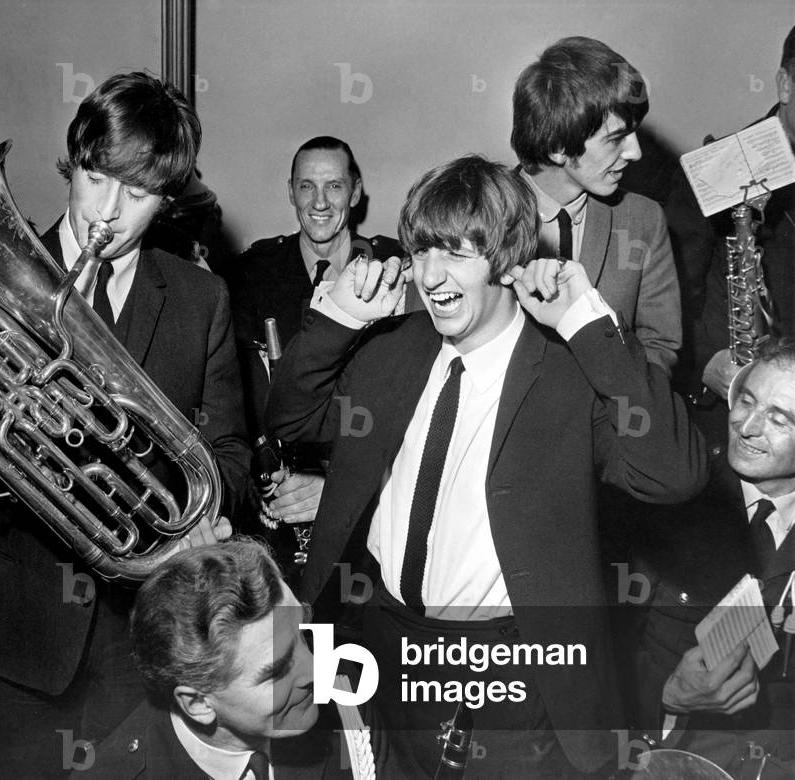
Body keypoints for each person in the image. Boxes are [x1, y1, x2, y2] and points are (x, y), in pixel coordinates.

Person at [265, 155, 707, 776]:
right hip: (386, 645)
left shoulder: (569, 373)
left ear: (505, 258)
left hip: (510, 665)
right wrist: (337, 318)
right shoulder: (393, 349)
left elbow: (675, 474)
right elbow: (293, 418)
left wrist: (588, 323)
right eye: (422, 251)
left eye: (458, 253)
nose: (432, 275)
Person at [0, 71, 249, 779]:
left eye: (138, 195)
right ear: (71, 165)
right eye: (97, 178)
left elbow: (230, 460)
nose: (109, 211)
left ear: (166, 201)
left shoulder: (201, 299)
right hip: (18, 623)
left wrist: (195, 512)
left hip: (139, 626)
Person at [75, 538, 395, 779]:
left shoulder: (346, 692)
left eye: (304, 635)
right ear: (198, 704)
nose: (315, 668)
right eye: (278, 670)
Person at [230, 137, 403, 574]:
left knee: (352, 640)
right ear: (291, 192)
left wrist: (338, 483)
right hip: (273, 514)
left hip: (366, 518)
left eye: (334, 186)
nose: (320, 202)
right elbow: (233, 398)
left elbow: (402, 409)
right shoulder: (251, 274)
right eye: (307, 187)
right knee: (282, 637)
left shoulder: (393, 270)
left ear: (356, 192)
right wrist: (265, 488)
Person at [629, 340, 795, 777]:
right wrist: (666, 696)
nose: (747, 426)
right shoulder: (668, 497)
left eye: (779, 419)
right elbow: (593, 654)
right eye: (746, 400)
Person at [511, 36, 682, 376]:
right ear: (559, 146)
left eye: (634, 134)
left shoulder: (644, 219)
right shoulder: (475, 215)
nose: (636, 153)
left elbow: (660, 347)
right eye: (617, 138)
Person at [667, 25, 795, 405]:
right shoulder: (714, 169)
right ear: (785, 86)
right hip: (741, 404)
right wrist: (705, 363)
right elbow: (666, 298)